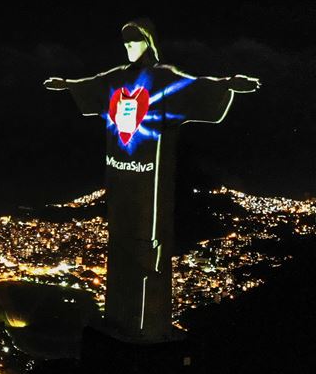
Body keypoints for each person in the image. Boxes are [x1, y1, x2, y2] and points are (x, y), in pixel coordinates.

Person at [44, 18, 259, 342]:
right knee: (119, 250)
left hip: (148, 187)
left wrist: (228, 84)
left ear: (149, 43)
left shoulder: (162, 79)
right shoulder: (117, 79)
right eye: (126, 43)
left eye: (135, 42)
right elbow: (91, 84)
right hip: (120, 183)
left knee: (147, 254)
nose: (129, 48)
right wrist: (68, 84)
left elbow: (197, 87)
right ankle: (118, 320)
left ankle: (145, 329)